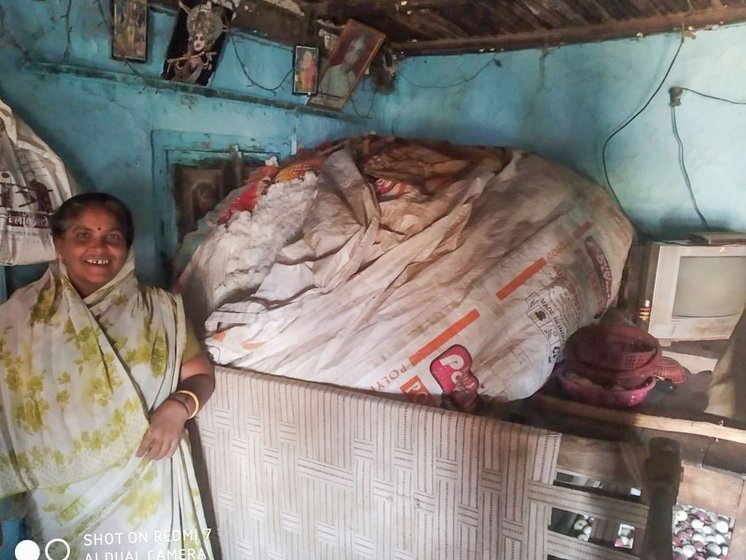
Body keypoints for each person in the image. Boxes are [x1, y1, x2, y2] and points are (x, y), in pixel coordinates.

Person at [0, 193, 214, 558]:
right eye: (83, 235)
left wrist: (178, 409)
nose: (99, 247)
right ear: (59, 245)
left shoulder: (159, 311)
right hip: (63, 501)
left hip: (146, 485)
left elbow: (200, 376)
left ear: (127, 248)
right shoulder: (17, 319)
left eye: (112, 237)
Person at [315, 34, 370, 108]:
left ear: (360, 57)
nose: (352, 55)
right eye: (351, 49)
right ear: (346, 50)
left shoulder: (354, 81)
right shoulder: (329, 71)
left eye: (357, 53)